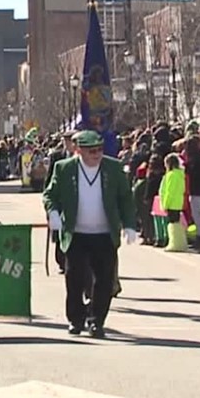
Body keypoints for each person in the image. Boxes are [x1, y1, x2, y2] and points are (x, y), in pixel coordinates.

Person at [42, 130, 137, 338]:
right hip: (77, 233)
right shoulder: (64, 169)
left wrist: (129, 224)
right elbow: (50, 194)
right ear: (79, 150)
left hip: (104, 234)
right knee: (74, 279)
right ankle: (75, 320)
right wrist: (54, 213)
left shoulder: (113, 168)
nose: (96, 155)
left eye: (100, 150)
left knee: (104, 281)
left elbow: (125, 198)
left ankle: (96, 321)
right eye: (91, 151)